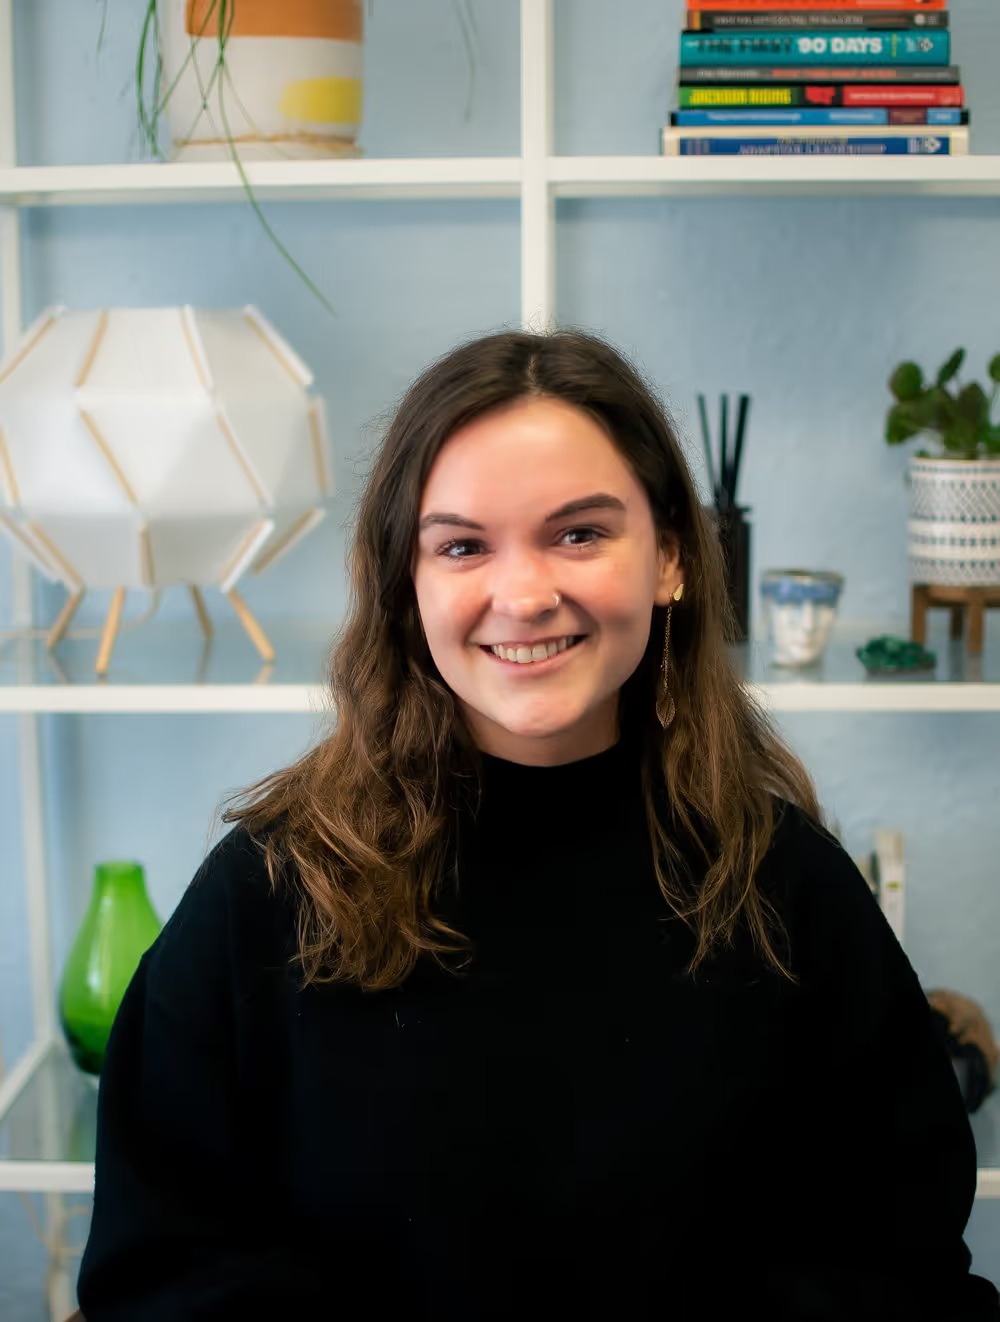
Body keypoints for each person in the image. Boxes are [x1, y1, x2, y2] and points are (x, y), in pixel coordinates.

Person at [76, 330, 999, 1321]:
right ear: (407, 584)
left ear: (673, 559)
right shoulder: (261, 896)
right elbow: (158, 1274)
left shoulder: (788, 889)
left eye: (578, 533)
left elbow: (895, 1263)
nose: (522, 595)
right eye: (462, 544)